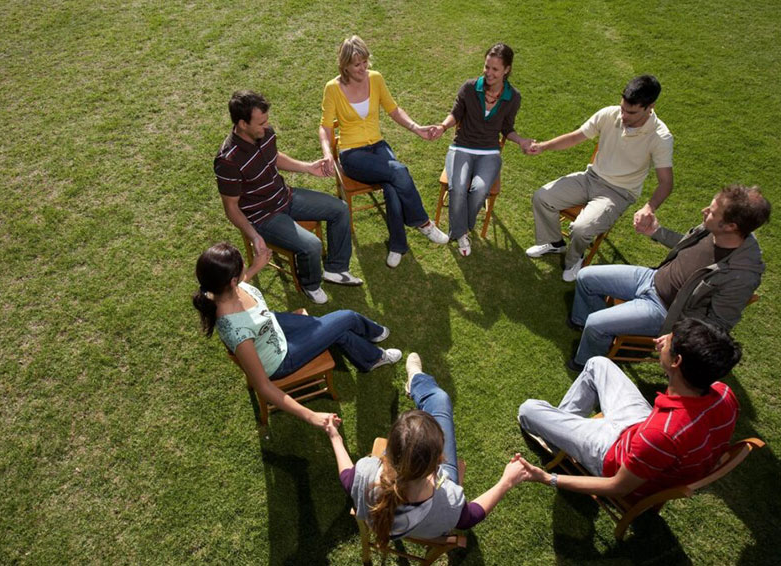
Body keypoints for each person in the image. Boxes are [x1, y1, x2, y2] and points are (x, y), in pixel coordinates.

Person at [518, 318, 742, 501]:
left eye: (668, 342)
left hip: (612, 457)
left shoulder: (662, 434)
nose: (661, 340)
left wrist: (549, 478)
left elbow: (617, 487)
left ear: (677, 362)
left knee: (528, 410)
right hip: (640, 428)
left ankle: (563, 440)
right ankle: (564, 439)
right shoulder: (723, 393)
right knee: (598, 363)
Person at [192, 242, 401, 429]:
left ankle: (371, 358)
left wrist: (258, 265)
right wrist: (311, 416)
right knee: (346, 318)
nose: (245, 264)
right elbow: (263, 385)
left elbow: (242, 281)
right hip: (282, 358)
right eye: (242, 264)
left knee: (338, 331)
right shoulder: (237, 330)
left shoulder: (219, 290)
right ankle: (374, 334)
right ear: (232, 281)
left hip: (271, 325)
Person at [324, 353, 527, 544]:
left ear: (390, 449)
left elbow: (346, 477)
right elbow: (469, 518)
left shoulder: (364, 473)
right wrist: (506, 482)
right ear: (440, 460)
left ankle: (416, 381)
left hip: (390, 518)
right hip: (430, 520)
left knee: (439, 401)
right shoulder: (449, 501)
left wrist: (335, 437)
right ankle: (416, 381)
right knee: (440, 401)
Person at [567, 184, 770, 369]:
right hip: (651, 278)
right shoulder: (715, 230)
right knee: (586, 277)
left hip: (664, 310)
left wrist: (676, 336)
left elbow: (719, 324)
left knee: (597, 323)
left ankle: (587, 363)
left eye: (712, 212)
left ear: (731, 226)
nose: (704, 211)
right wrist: (656, 231)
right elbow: (686, 243)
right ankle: (581, 322)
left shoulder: (741, 274)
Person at [215, 90, 362, 305]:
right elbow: (231, 207)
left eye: (266, 120)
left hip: (285, 196)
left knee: (339, 209)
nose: (267, 126)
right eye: (261, 122)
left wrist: (307, 168)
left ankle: (336, 269)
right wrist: (254, 236)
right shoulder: (228, 161)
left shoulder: (264, 133)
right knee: (312, 245)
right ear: (242, 124)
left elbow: (272, 157)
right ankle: (310, 285)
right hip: (263, 217)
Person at [525, 75, 674, 281]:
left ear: (650, 107)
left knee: (581, 228)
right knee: (542, 197)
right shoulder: (609, 114)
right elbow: (577, 136)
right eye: (622, 108)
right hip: (590, 177)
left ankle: (574, 259)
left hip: (618, 193)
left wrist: (649, 208)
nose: (623, 115)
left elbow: (666, 183)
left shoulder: (660, 137)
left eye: (631, 112)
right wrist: (543, 146)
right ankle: (554, 243)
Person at [318, 35, 448, 269]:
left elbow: (393, 109)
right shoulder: (333, 88)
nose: (363, 68)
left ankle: (398, 245)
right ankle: (423, 223)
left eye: (365, 62)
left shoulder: (375, 79)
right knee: (399, 171)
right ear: (344, 64)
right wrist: (328, 153)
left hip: (378, 146)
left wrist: (417, 128)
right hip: (352, 155)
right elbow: (325, 125)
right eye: (357, 64)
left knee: (392, 185)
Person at [429, 43, 534, 256]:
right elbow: (456, 114)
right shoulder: (469, 87)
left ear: (506, 70)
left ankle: (461, 228)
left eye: (495, 69)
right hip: (461, 147)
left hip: (489, 152)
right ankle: (461, 234)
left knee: (479, 190)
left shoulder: (513, 97)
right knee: (457, 187)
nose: (489, 73)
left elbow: (506, 128)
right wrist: (442, 126)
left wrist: (520, 140)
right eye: (487, 67)